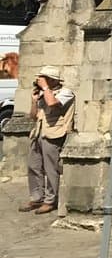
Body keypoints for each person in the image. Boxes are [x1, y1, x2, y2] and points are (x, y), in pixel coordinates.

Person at [20, 65, 75, 214]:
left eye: (42, 78)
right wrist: (34, 100)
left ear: (51, 79)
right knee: (33, 166)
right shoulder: (44, 93)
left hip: (54, 134)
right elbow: (33, 116)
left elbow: (53, 103)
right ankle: (36, 197)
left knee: (51, 169)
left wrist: (45, 88)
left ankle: (50, 200)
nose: (39, 81)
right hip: (38, 132)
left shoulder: (66, 93)